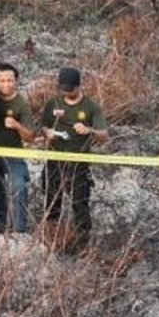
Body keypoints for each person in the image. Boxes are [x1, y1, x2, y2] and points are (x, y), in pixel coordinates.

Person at [40, 67, 108, 248]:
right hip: (55, 158)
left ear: (79, 86)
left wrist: (89, 130)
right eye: (64, 89)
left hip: (79, 162)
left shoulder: (91, 107)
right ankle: (51, 235)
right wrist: (49, 133)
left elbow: (104, 135)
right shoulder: (53, 103)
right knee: (52, 198)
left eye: (71, 89)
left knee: (80, 202)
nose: (67, 93)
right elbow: (43, 126)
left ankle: (82, 240)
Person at [0, 62, 37, 233]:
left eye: (10, 80)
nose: (6, 84)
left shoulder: (21, 103)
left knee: (19, 186)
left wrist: (17, 126)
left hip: (14, 153)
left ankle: (19, 228)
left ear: (16, 81)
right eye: (2, 81)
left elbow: (30, 136)